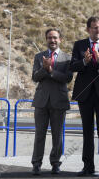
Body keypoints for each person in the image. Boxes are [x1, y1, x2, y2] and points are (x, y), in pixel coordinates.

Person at [70, 16, 99, 177]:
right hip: (85, 95)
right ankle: (88, 167)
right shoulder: (79, 45)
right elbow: (72, 65)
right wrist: (84, 61)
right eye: (95, 27)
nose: (98, 30)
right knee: (87, 132)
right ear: (88, 29)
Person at [31, 29, 73, 175]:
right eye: (49, 38)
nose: (52, 40)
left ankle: (55, 163)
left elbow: (67, 78)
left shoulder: (67, 58)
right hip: (41, 101)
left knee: (57, 135)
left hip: (59, 101)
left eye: (55, 38)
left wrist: (51, 71)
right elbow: (35, 77)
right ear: (46, 39)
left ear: (60, 39)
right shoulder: (39, 56)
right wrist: (44, 68)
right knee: (39, 134)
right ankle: (36, 164)